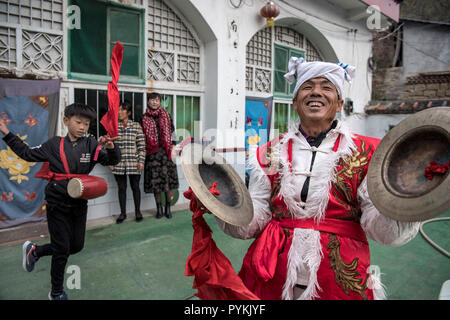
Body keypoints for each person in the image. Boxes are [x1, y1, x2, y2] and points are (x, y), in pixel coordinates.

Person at [215, 57, 420, 300]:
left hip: (340, 276)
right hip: (273, 273)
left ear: (340, 102)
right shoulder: (268, 153)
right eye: (307, 86)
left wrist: (408, 205)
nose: (316, 93)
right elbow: (257, 215)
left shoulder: (369, 153)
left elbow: (378, 226)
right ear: (294, 101)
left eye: (326, 87)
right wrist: (223, 206)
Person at [0, 103, 120, 300]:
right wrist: (6, 132)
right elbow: (26, 154)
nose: (82, 127)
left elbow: (111, 161)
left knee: (76, 246)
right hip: (57, 203)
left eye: (86, 124)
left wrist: (112, 148)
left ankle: (35, 251)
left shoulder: (91, 145)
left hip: (80, 202)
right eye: (78, 122)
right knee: (62, 249)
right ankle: (56, 292)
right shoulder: (53, 145)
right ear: (66, 121)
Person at [141, 92, 179, 219]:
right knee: (156, 184)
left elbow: (173, 132)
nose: (155, 102)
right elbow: (141, 137)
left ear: (160, 102)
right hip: (152, 156)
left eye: (157, 100)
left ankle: (168, 207)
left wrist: (173, 145)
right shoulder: (144, 118)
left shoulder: (166, 115)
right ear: (148, 102)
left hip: (166, 155)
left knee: (167, 184)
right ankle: (158, 209)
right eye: (152, 100)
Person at [109, 100, 146, 223]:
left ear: (128, 112)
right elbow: (109, 145)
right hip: (118, 163)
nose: (119, 112)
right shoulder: (113, 126)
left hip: (133, 162)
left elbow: (141, 145)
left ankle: (137, 212)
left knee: (135, 187)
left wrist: (141, 161)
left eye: (122, 110)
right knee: (121, 188)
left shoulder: (136, 126)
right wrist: (110, 162)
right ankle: (123, 213)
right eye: (118, 110)